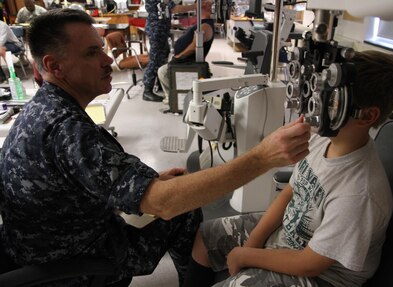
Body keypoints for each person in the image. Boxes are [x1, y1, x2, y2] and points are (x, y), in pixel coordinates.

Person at [0, 9, 311, 286]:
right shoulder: (68, 131)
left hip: (39, 246)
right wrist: (263, 157)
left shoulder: (42, 109)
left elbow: (75, 182)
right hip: (70, 264)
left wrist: (147, 186)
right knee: (183, 212)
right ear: (56, 66)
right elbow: (165, 204)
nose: (109, 60)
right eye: (92, 53)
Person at [183, 50, 393, 287]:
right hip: (291, 238)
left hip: (321, 276)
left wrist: (247, 256)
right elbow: (290, 192)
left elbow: (310, 263)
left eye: (331, 100)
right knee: (206, 236)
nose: (318, 104)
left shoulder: (360, 193)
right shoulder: (322, 139)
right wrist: (250, 246)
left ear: (367, 115)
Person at [157, 0, 214, 103]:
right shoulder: (201, 23)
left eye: (207, 3)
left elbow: (194, 46)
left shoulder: (205, 26)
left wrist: (178, 57)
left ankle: (173, 99)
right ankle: (175, 97)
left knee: (162, 71)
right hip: (185, 59)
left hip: (188, 61)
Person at [143, 0, 199, 102]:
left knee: (163, 56)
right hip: (156, 28)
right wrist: (196, 6)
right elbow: (174, 8)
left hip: (162, 27)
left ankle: (159, 83)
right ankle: (147, 90)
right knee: (155, 59)